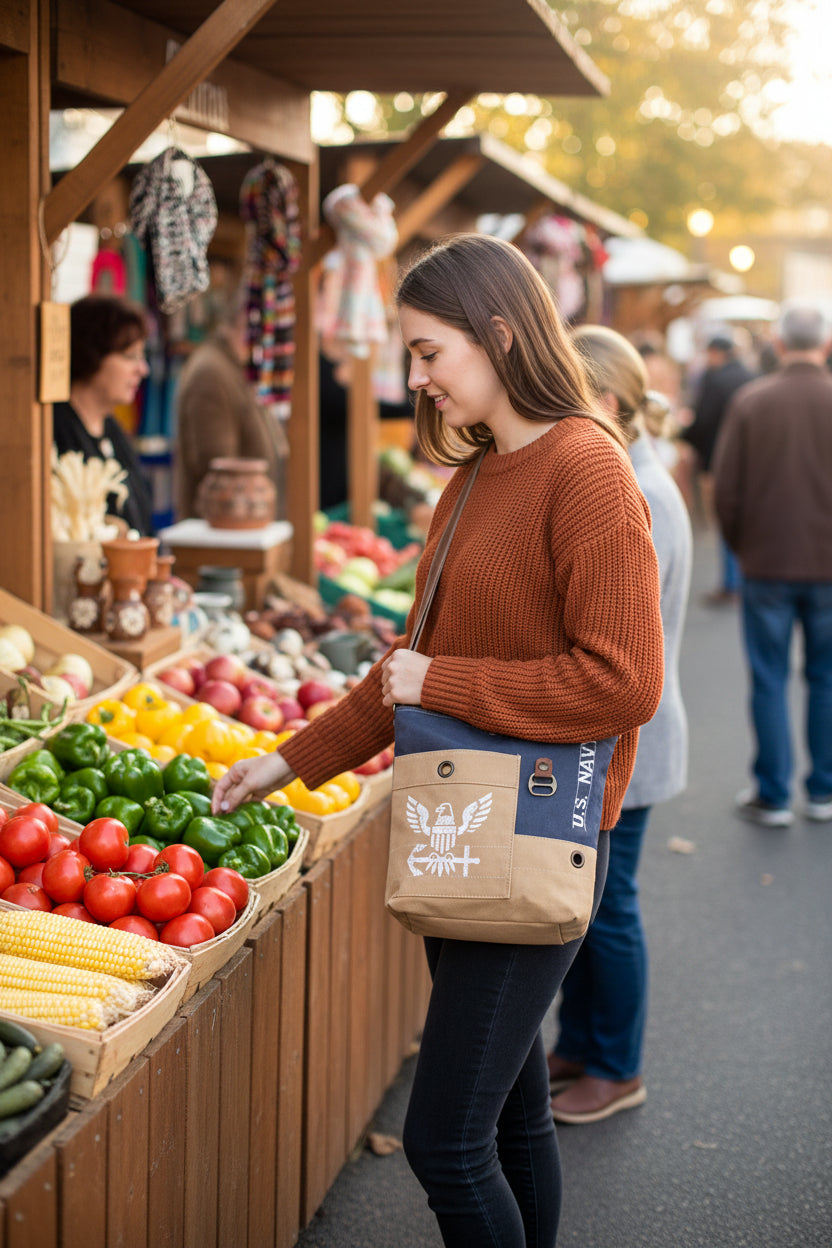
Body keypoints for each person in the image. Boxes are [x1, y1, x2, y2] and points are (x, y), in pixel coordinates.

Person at [213, 234, 664, 1248]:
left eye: (427, 352)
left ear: (498, 334)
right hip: (463, 826)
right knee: (511, 1116)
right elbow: (405, 673)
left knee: (444, 1143)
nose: (414, 378)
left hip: (539, 833)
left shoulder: (587, 469)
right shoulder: (471, 480)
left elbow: (625, 682)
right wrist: (286, 762)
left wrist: (444, 682)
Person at [547, 326, 692, 1125]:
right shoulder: (633, 476)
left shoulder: (641, 493)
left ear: (603, 402)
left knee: (610, 908)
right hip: (611, 738)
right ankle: (580, 1044)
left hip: (629, 738)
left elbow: (617, 643)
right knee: (587, 902)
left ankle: (618, 1065)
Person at [712, 304, 832, 827]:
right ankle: (824, 789)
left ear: (779, 345)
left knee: (768, 678)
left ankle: (774, 792)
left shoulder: (752, 401)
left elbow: (726, 491)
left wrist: (743, 548)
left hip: (767, 562)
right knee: (826, 679)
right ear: (825, 346)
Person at [173, 302, 287, 519]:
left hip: (246, 525)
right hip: (226, 528)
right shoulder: (211, 372)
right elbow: (218, 466)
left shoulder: (234, 364)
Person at [53, 293, 154, 536]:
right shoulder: (57, 429)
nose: (143, 370)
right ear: (92, 354)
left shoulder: (112, 428)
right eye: (130, 357)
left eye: (142, 357)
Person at [681, 331, 756, 605]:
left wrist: (683, 435)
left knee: (724, 516)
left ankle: (731, 582)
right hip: (750, 459)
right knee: (746, 518)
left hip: (718, 458)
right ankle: (743, 577)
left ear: (716, 352)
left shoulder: (715, 379)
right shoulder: (751, 376)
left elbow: (703, 420)